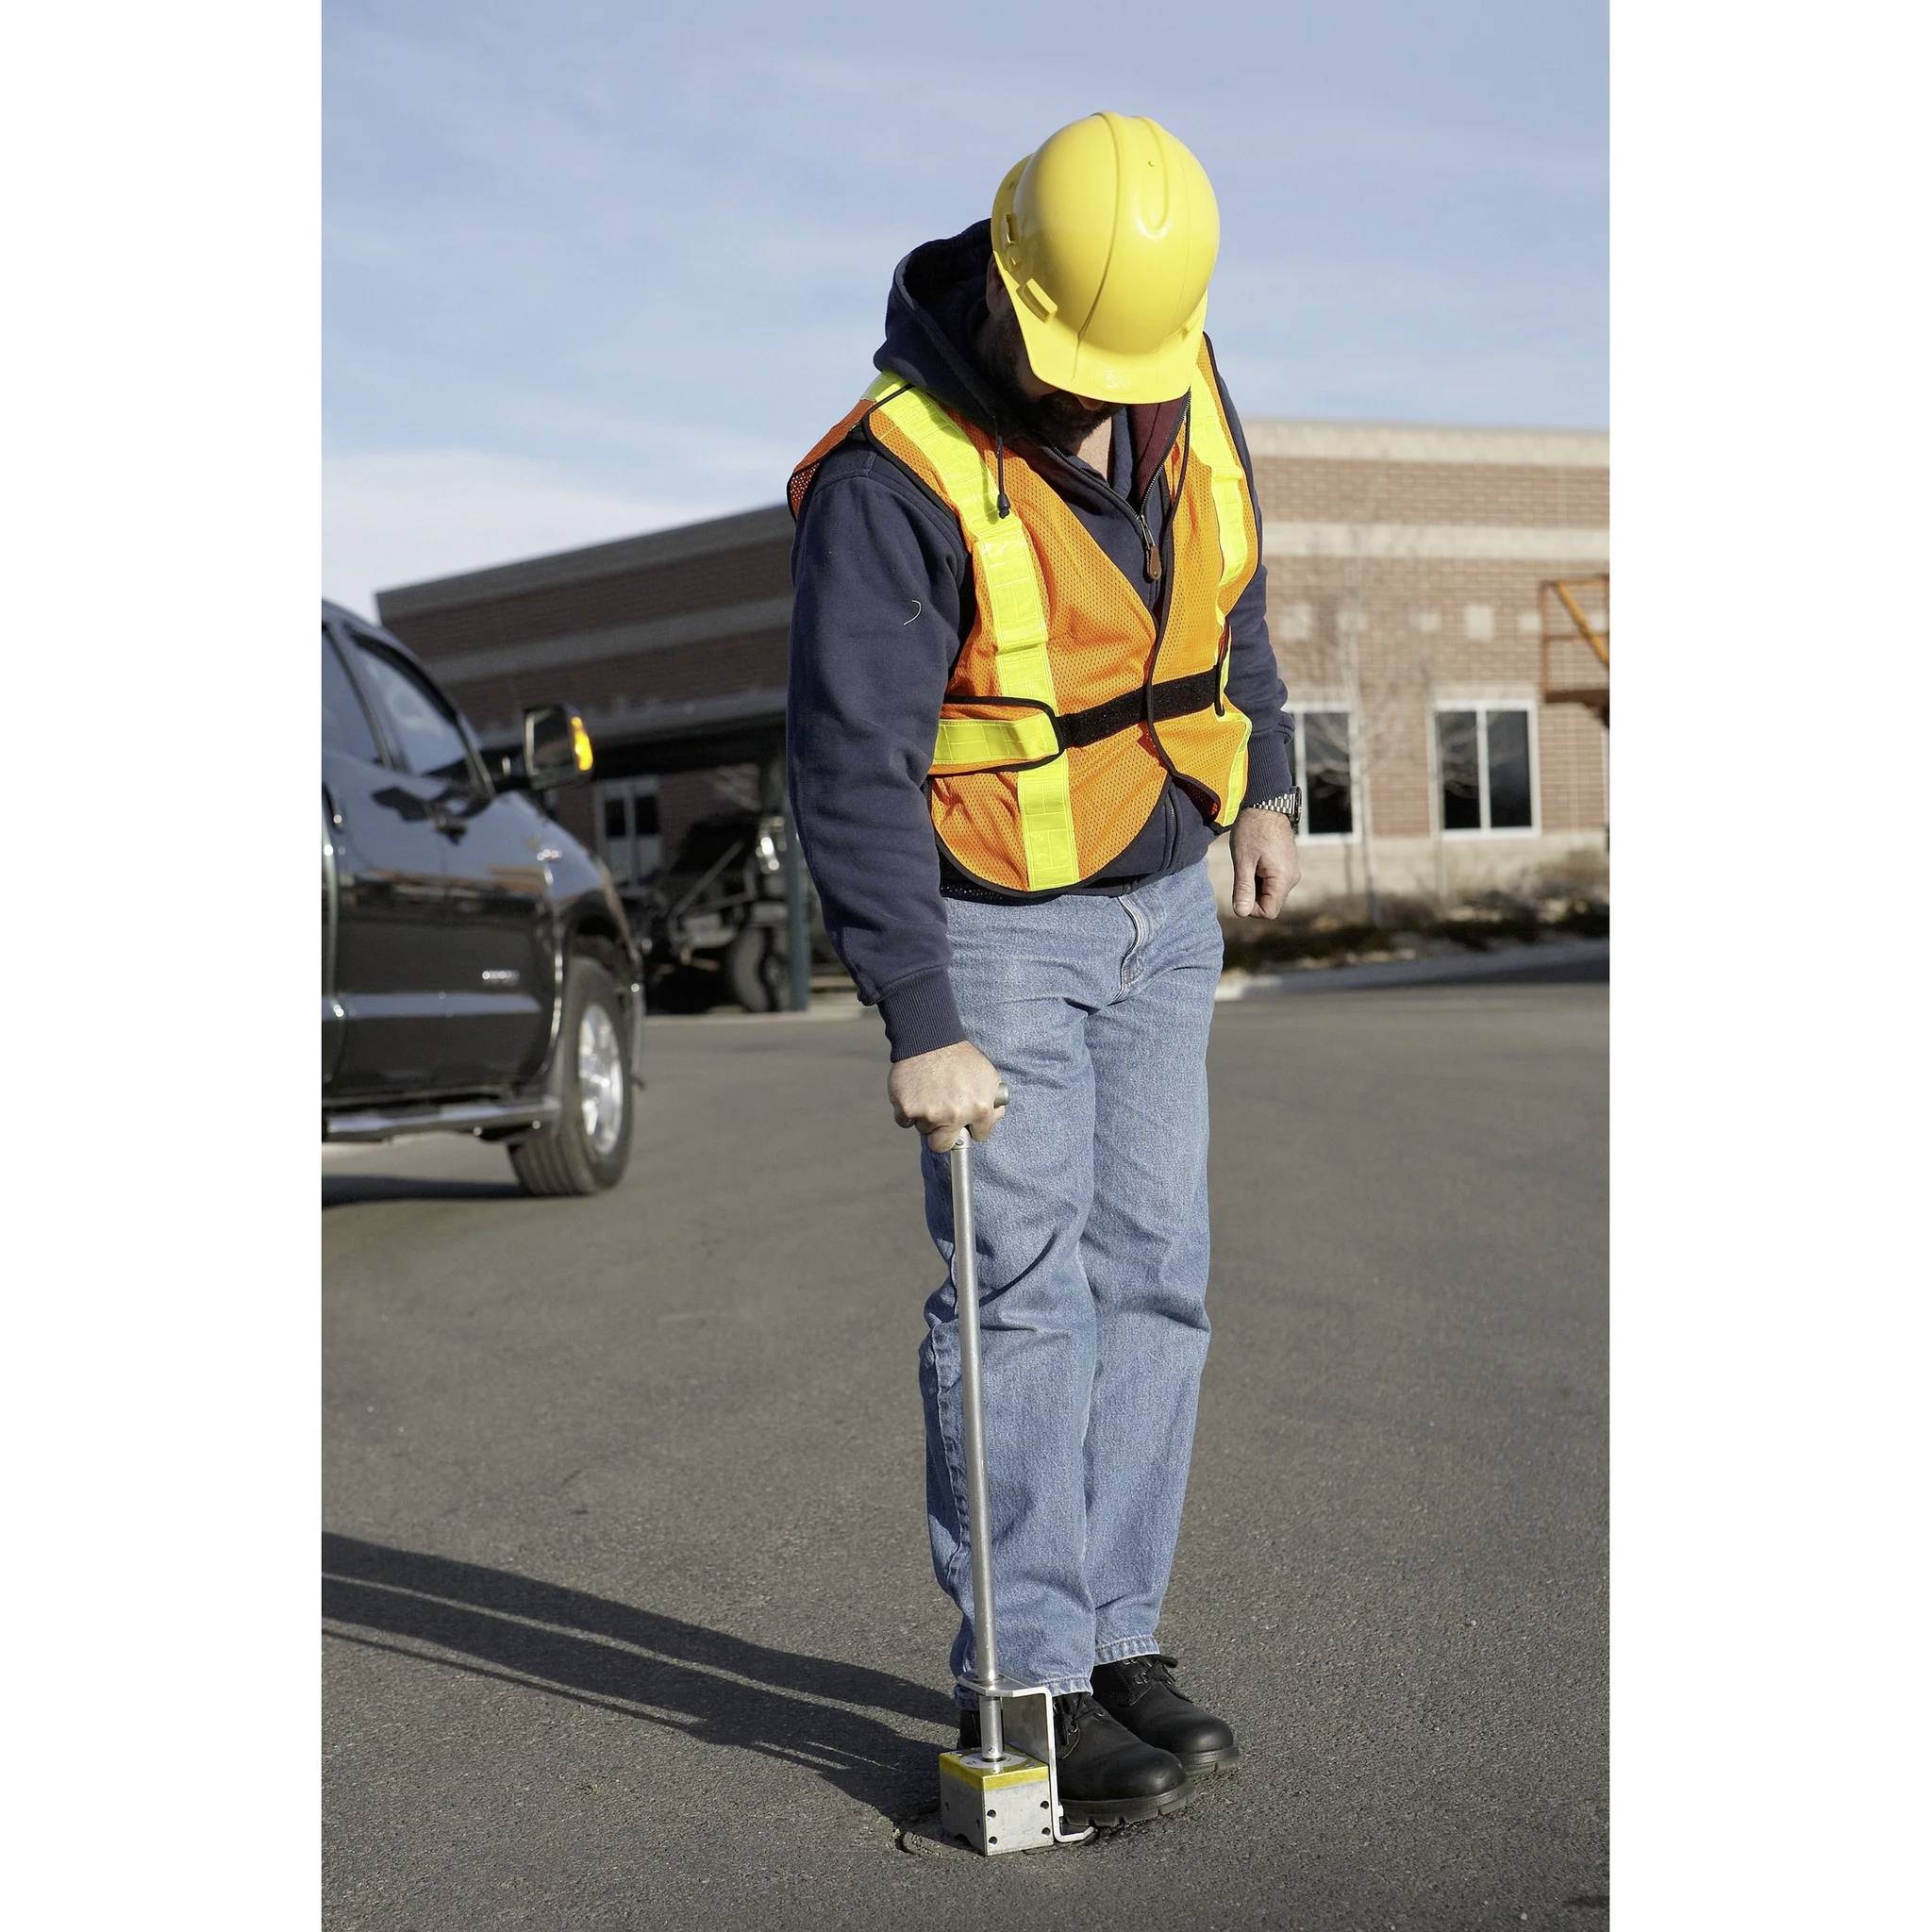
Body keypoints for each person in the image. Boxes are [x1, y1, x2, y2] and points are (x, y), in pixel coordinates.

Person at [785, 112, 1302, 1829]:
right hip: (996, 931)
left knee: (1161, 1277)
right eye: (1079, 363)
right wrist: (915, 1019)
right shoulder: (895, 475)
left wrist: (1270, 773)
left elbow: (1227, 589)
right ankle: (1026, 1683)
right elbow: (849, 757)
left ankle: (1117, 1644)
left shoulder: (1175, 364)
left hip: (1165, 898)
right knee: (1021, 1306)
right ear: (1008, 289)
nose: (1107, 396)